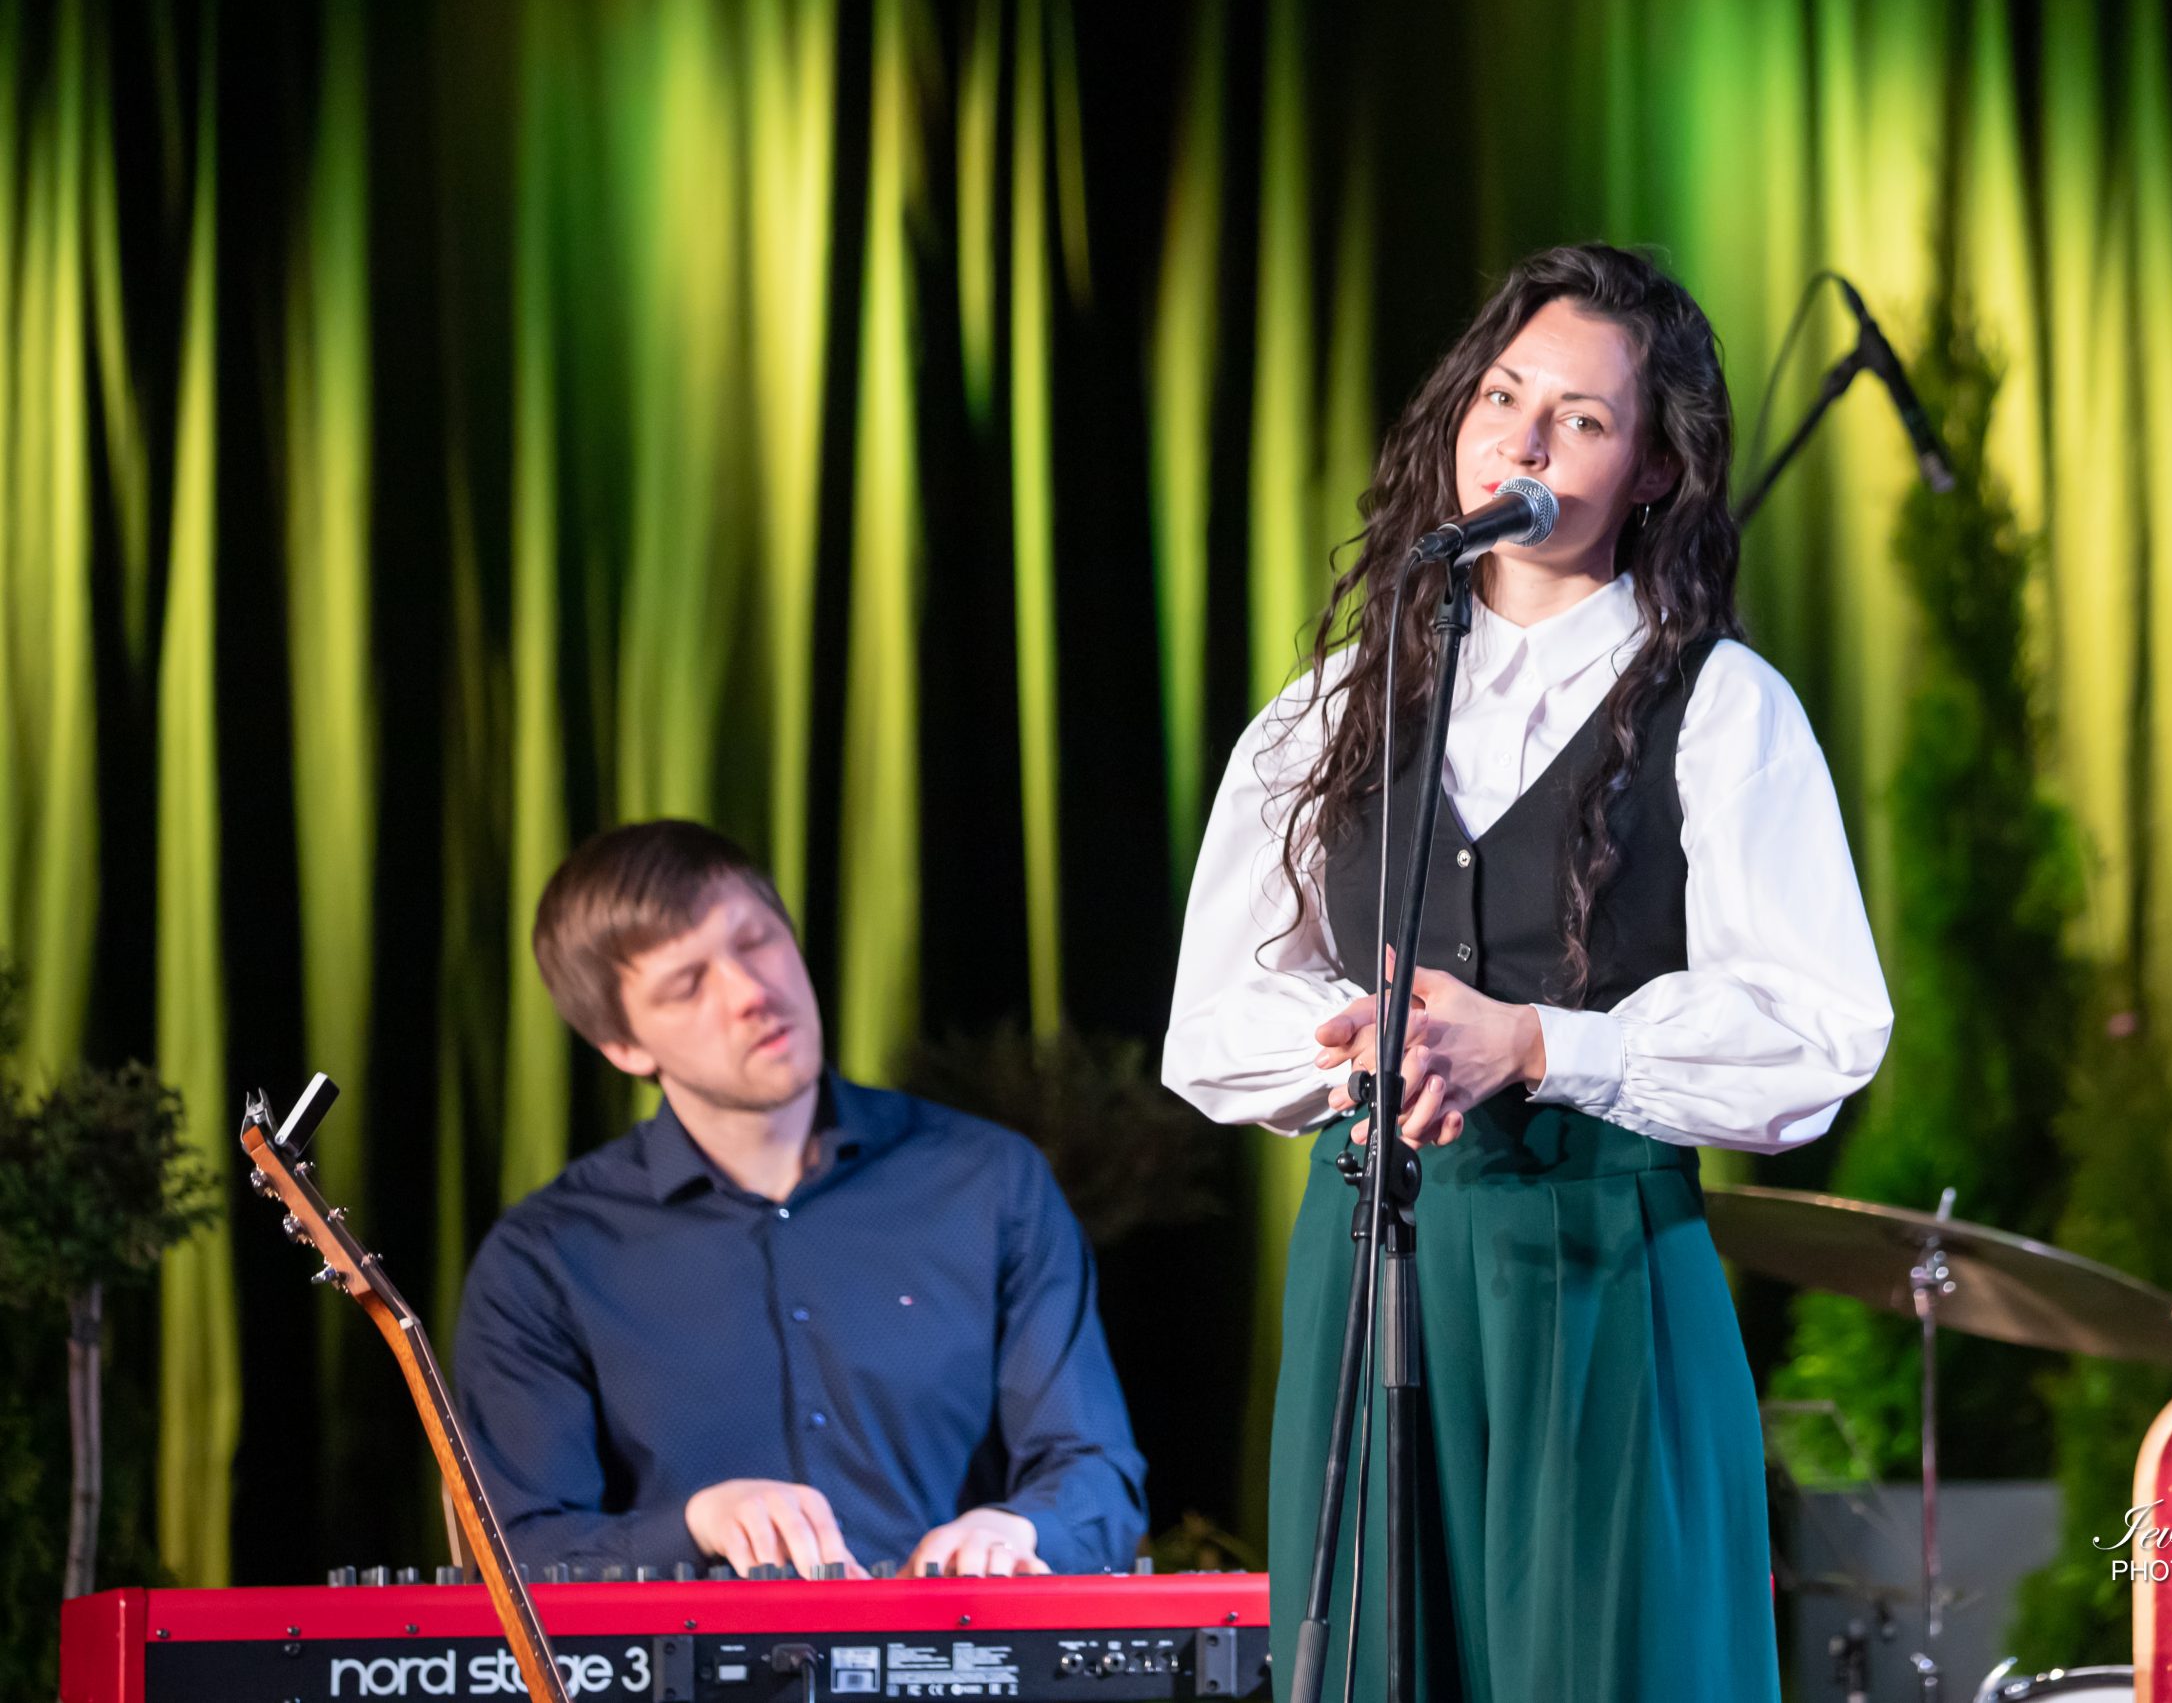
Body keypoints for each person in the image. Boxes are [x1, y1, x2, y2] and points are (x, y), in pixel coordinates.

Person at [1163, 244, 1894, 1700]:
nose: (1523, 441)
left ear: (1655, 469)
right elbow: (1210, 1022)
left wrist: (1544, 1046)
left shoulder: (1721, 706)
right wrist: (1354, 1044)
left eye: (1582, 417)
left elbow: (1818, 1034)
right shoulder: (1334, 706)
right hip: (1376, 1259)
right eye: (1502, 396)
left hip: (1601, 1262)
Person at [455, 820, 1147, 1578]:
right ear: (624, 1046)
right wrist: (695, 1524)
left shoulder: (992, 1181)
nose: (752, 993)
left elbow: (1093, 1472)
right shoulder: (546, 1257)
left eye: (756, 941)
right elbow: (519, 1548)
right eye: (688, 984)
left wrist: (1019, 1529)